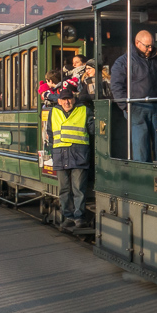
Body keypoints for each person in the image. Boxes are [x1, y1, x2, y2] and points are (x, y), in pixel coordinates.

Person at [111, 30, 157, 162]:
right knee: (140, 144)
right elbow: (116, 85)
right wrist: (125, 106)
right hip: (136, 107)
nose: (150, 49)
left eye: (152, 46)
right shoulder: (123, 62)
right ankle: (142, 174)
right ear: (137, 43)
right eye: (147, 46)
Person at [45, 87, 95, 229]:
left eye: (69, 99)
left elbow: (92, 130)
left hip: (78, 154)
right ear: (59, 101)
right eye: (64, 99)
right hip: (61, 155)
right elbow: (50, 132)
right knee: (64, 189)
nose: (67, 102)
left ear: (73, 99)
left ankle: (79, 218)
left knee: (78, 188)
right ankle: (68, 216)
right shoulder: (53, 112)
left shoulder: (84, 110)